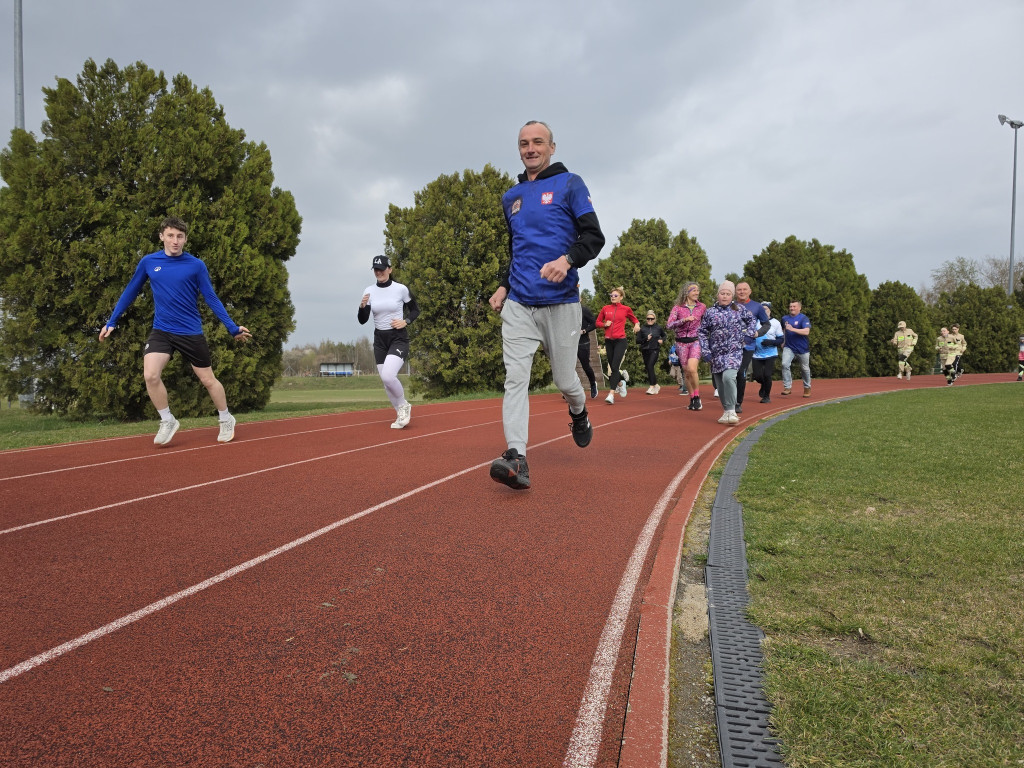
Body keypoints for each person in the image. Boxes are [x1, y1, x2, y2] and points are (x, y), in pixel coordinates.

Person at [487, 120, 605, 490]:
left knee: (564, 379)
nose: (530, 148)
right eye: (524, 143)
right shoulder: (512, 197)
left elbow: (593, 237)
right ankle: (516, 456)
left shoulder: (570, 184)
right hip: (520, 304)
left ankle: (579, 410)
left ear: (552, 147)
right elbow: (517, 250)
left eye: (538, 142)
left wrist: (567, 260)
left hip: (561, 303)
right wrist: (505, 287)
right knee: (515, 380)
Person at [99, 216, 251, 446]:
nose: (175, 240)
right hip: (162, 330)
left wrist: (232, 327)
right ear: (162, 236)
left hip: (190, 332)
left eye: (180, 236)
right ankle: (167, 419)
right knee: (150, 375)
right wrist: (112, 321)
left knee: (208, 380)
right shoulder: (149, 262)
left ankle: (225, 418)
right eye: (170, 235)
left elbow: (210, 297)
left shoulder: (196, 265)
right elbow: (130, 291)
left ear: (185, 239)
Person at [358, 255, 420, 429]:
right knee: (386, 383)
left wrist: (405, 321)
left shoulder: (400, 289)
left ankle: (403, 405)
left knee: (388, 375)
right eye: (376, 269)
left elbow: (415, 310)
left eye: (382, 269)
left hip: (398, 337)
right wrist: (362, 307)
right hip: (380, 339)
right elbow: (362, 320)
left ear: (389, 270)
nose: (379, 272)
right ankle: (400, 414)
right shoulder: (369, 291)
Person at [699, 281, 756, 425]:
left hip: (734, 351)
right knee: (720, 385)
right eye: (722, 293)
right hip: (716, 353)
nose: (725, 296)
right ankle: (726, 411)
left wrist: (749, 335)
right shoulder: (710, 312)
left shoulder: (739, 309)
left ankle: (732, 410)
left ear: (732, 296)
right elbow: (702, 332)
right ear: (718, 295)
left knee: (728, 377)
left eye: (728, 294)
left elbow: (752, 320)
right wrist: (705, 351)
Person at [666, 282, 707, 411]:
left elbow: (706, 324)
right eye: (693, 290)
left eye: (698, 290)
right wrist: (683, 320)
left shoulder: (702, 307)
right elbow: (669, 325)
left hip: (695, 341)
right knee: (687, 373)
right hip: (681, 343)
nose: (696, 293)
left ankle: (697, 396)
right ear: (686, 292)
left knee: (692, 368)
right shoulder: (677, 308)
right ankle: (692, 397)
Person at [596, 286, 640, 404]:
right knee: (613, 369)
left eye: (615, 296)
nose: (613, 297)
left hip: (620, 341)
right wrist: (605, 324)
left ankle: (611, 394)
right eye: (611, 295)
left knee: (614, 367)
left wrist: (636, 325)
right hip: (608, 341)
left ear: (621, 297)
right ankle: (621, 383)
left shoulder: (626, 309)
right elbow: (597, 322)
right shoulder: (605, 308)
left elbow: (634, 320)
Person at [733, 281, 770, 412]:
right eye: (739, 290)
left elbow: (767, 324)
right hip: (730, 345)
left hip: (748, 345)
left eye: (744, 289)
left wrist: (757, 333)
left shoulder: (757, 306)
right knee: (727, 373)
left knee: (739, 371)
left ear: (750, 291)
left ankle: (737, 402)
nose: (742, 292)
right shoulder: (730, 305)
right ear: (735, 292)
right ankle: (729, 397)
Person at [752, 301, 785, 402]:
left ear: (770, 310)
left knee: (767, 374)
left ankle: (766, 397)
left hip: (770, 353)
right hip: (756, 354)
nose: (763, 311)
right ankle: (764, 384)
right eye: (761, 309)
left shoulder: (775, 323)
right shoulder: (755, 321)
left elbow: (781, 339)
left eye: (765, 309)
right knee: (757, 376)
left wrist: (771, 342)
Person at [780, 300, 812, 397]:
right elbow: (783, 329)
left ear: (799, 308)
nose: (792, 308)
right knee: (784, 364)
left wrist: (792, 329)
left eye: (794, 306)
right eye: (790, 306)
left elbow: (806, 331)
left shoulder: (803, 318)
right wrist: (783, 341)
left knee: (805, 368)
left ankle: (807, 387)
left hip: (802, 348)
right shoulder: (784, 318)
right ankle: (787, 387)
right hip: (789, 347)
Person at [637, 310, 666, 394]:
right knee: (649, 368)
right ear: (646, 319)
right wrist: (646, 339)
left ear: (655, 319)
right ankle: (656, 384)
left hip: (655, 350)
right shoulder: (642, 328)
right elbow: (637, 341)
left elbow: (664, 335)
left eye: (651, 319)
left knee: (650, 366)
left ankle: (651, 387)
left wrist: (662, 340)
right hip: (645, 350)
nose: (650, 320)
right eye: (648, 318)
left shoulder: (658, 328)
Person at [576, 304, 600, 399]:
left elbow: (595, 323)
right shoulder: (567, 311)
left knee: (585, 366)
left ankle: (593, 384)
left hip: (583, 343)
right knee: (569, 367)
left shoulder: (584, 310)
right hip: (570, 344)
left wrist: (585, 331)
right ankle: (572, 390)